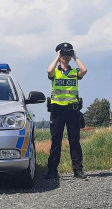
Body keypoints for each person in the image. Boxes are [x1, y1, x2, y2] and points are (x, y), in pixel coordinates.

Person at [45, 42, 87, 179]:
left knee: (74, 140)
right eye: (64, 54)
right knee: (56, 140)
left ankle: (78, 170)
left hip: (72, 110)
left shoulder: (74, 72)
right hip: (57, 111)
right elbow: (49, 71)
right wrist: (57, 57)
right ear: (59, 55)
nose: (65, 57)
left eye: (67, 54)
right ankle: (52, 171)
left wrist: (75, 57)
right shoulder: (56, 72)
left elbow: (84, 70)